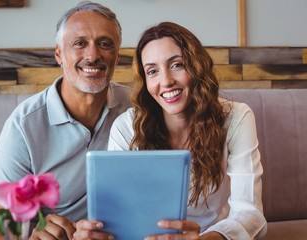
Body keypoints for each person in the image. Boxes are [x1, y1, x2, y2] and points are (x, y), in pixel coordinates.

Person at [73, 22, 267, 240]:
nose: (165, 81)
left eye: (177, 65)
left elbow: (250, 214)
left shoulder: (236, 117)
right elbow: (117, 214)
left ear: (197, 66)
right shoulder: (126, 127)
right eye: (153, 71)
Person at [0, 1, 131, 239]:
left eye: (105, 44)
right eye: (79, 43)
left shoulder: (135, 109)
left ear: (116, 56)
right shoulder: (23, 125)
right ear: (59, 54)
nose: (93, 55)